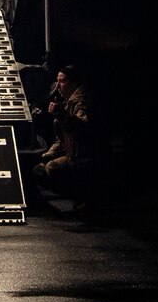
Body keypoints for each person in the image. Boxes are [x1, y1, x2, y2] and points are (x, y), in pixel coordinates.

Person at [32, 63, 104, 210]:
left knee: (52, 169)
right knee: (41, 168)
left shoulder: (81, 101)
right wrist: (47, 155)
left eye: (62, 81)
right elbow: (62, 139)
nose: (58, 86)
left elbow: (83, 130)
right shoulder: (69, 102)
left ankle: (86, 197)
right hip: (76, 155)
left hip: (86, 158)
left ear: (74, 83)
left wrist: (60, 114)